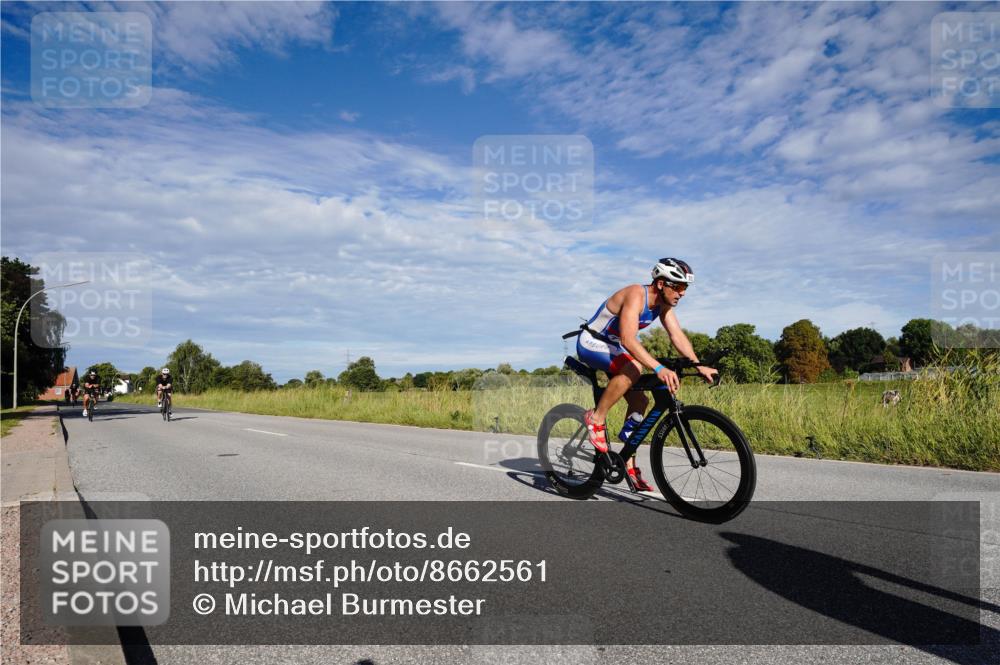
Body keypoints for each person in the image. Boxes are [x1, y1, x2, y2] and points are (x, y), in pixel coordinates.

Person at [574, 258, 717, 491]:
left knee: (641, 400)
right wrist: (658, 368)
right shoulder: (635, 295)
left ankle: (627, 459)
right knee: (634, 368)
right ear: (661, 284)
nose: (682, 293)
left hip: (613, 347)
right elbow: (628, 339)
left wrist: (699, 365)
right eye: (678, 286)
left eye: (685, 288)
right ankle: (596, 418)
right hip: (592, 341)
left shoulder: (663, 306)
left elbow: (677, 336)